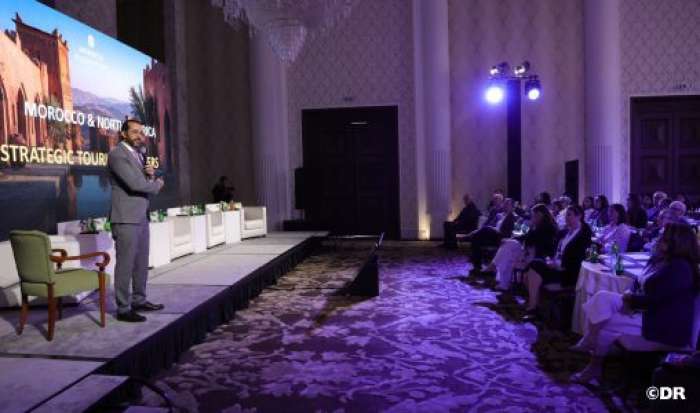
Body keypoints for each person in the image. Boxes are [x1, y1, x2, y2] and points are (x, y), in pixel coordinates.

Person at [571, 223, 700, 383]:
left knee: (606, 322)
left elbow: (658, 301)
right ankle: (590, 343)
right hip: (648, 311)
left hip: (665, 324)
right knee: (602, 297)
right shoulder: (660, 259)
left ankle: (593, 364)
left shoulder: (680, 268)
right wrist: (630, 297)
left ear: (677, 243)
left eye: (664, 238)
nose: (659, 239)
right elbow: (639, 283)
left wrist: (631, 300)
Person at [108, 119, 165, 322]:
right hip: (126, 218)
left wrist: (149, 176)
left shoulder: (139, 155)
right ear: (123, 134)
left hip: (141, 216)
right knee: (126, 265)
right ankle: (123, 309)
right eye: (134, 132)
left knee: (141, 263)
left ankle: (139, 300)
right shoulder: (117, 154)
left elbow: (142, 182)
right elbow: (134, 184)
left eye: (141, 132)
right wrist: (157, 183)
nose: (139, 136)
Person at [523, 205, 592, 313]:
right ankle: (536, 305)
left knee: (534, 267)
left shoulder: (583, 235)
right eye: (566, 215)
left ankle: (533, 306)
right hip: (555, 265)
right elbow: (554, 250)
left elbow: (579, 259)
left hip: (567, 271)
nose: (566, 218)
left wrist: (559, 265)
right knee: (530, 269)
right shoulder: (565, 232)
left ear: (579, 216)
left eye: (569, 215)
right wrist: (549, 259)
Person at [487, 204, 558, 290]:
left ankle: (497, 274)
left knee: (509, 248)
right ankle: (501, 281)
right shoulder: (537, 226)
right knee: (508, 246)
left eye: (533, 215)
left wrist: (531, 228)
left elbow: (536, 243)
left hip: (538, 257)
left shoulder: (549, 228)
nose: (532, 217)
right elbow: (525, 237)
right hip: (529, 252)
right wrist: (511, 238)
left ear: (539, 215)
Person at [467, 198, 517, 275]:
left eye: (507, 204)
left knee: (485, 229)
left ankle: (469, 235)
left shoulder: (512, 217)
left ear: (511, 207)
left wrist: (494, 229)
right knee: (476, 239)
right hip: (492, 235)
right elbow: (491, 223)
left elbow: (508, 233)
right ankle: (477, 266)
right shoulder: (500, 215)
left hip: (500, 237)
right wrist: (493, 226)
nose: (505, 205)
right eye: (505, 203)